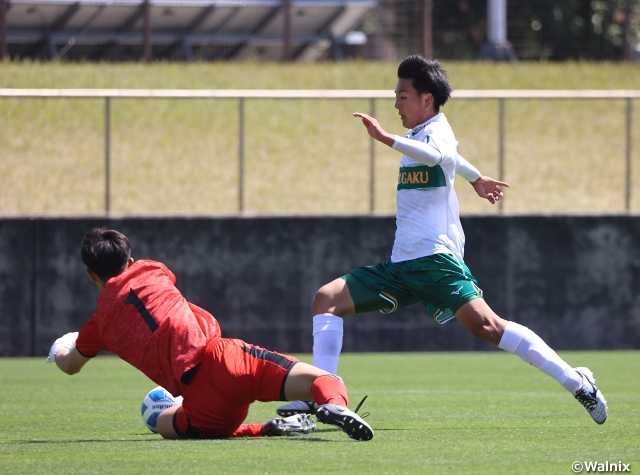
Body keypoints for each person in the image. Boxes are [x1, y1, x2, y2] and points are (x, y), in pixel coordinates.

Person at [277, 54, 607, 425]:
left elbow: (438, 154)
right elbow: (450, 158)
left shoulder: (435, 131)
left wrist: (387, 138)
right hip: (402, 265)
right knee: (327, 299)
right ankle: (323, 397)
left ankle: (577, 382)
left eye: (403, 96)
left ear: (426, 99)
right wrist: (476, 177)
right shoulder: (423, 134)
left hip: (435, 261)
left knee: (487, 327)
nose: (396, 104)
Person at [47, 227, 373, 441]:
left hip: (203, 402)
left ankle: (263, 429)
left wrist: (62, 347)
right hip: (225, 359)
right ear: (130, 260)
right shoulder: (152, 269)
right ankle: (333, 405)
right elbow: (146, 302)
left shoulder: (99, 326)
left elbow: (70, 365)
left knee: (161, 423)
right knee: (326, 381)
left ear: (90, 275)